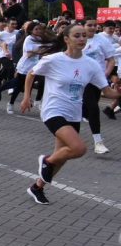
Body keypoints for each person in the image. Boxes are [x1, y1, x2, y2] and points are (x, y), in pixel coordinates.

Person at [22, 23, 119, 204]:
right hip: (53, 110)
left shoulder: (91, 65)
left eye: (84, 36)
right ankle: (46, 160)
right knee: (78, 148)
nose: (82, 39)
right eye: (77, 36)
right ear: (66, 39)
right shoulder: (54, 59)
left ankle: (37, 187)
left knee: (62, 155)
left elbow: (107, 92)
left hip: (73, 113)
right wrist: (27, 97)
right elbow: (31, 74)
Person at [81, 18, 115, 154]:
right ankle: (98, 142)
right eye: (89, 25)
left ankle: (82, 114)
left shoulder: (102, 40)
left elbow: (111, 60)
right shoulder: (77, 39)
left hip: (97, 80)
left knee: (89, 108)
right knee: (94, 109)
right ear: (83, 26)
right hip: (82, 80)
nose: (92, 27)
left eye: (95, 25)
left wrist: (104, 75)